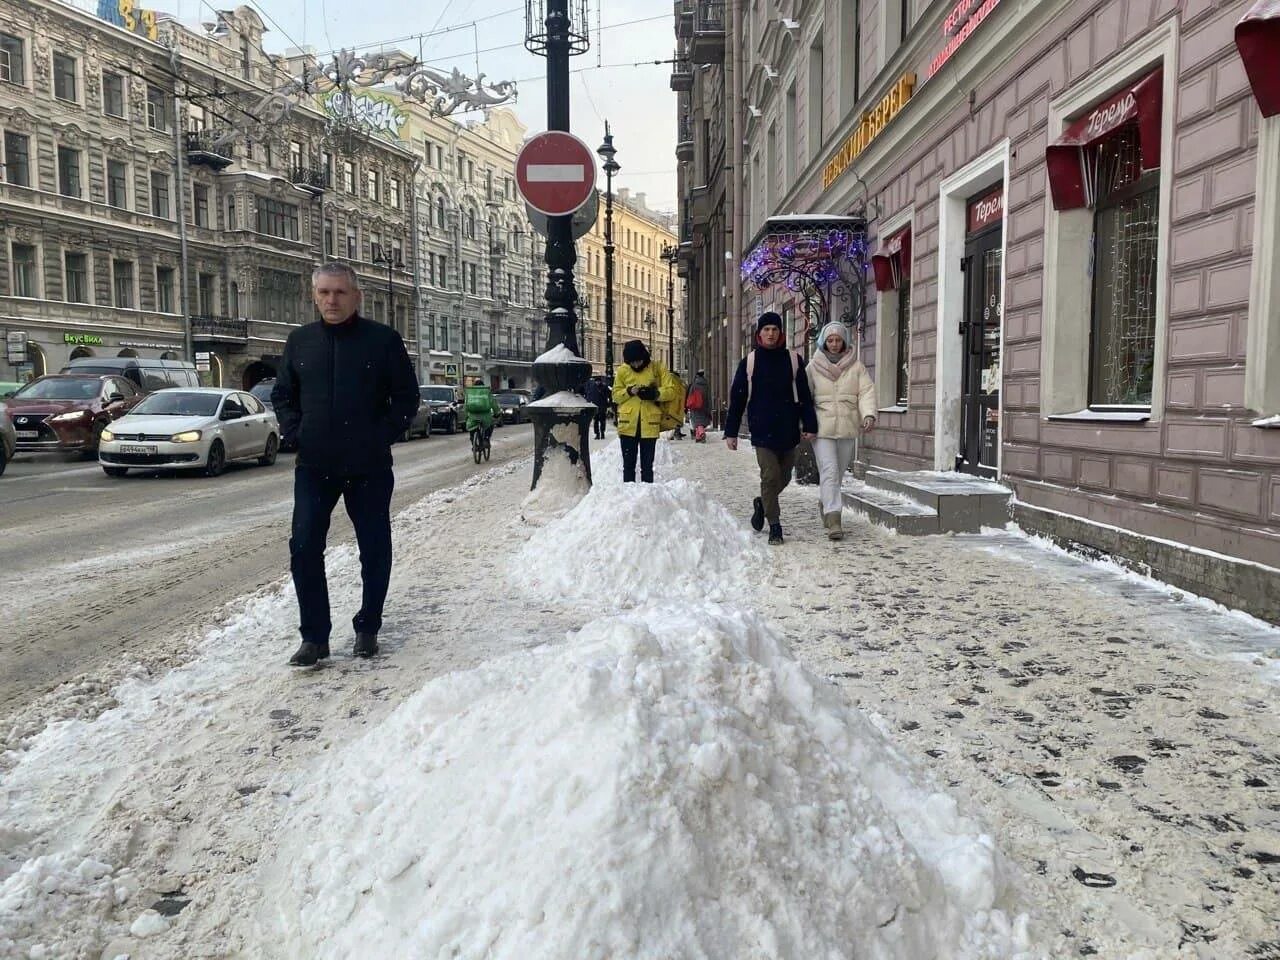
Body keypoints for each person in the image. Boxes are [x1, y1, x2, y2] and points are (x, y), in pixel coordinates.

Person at [272, 263, 421, 667]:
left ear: (356, 296)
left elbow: (407, 398)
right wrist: (294, 431)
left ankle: (367, 627)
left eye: (339, 292)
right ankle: (314, 638)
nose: (331, 300)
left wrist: (380, 435)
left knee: (373, 547)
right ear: (314, 295)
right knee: (304, 547)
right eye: (323, 293)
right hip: (314, 464)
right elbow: (283, 394)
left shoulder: (383, 341)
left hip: (368, 465)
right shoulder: (300, 342)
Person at [724, 312, 818, 545]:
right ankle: (775, 525)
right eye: (766, 329)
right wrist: (731, 432)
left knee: (783, 477)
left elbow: (805, 396)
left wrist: (810, 424)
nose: (770, 333)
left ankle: (761, 503)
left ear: (780, 333)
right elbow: (737, 398)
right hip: (762, 430)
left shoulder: (794, 360)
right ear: (759, 334)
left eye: (774, 329)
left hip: (789, 429)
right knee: (770, 476)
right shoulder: (750, 362)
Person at [806, 321, 876, 541]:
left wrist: (868, 414)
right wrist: (804, 424)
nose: (834, 344)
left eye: (838, 340)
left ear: (844, 341)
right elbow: (805, 397)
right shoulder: (813, 367)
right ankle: (834, 518)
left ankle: (826, 501)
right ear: (824, 342)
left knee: (838, 473)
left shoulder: (857, 367)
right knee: (829, 469)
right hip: (821, 429)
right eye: (830, 340)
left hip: (847, 427)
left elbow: (866, 392)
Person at [612, 339, 673, 483]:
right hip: (628, 425)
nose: (636, 365)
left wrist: (655, 394)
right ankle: (629, 496)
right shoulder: (622, 371)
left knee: (647, 466)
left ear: (644, 357)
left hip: (649, 424)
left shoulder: (657, 368)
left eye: (638, 361)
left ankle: (648, 496)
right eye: (632, 362)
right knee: (628, 466)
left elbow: (671, 391)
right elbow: (615, 396)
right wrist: (628, 391)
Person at [686, 369, 712, 442]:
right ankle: (698, 437)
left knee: (697, 422)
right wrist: (709, 406)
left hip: (695, 406)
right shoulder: (706, 384)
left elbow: (690, 395)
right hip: (704, 405)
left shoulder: (694, 384)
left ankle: (701, 433)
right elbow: (709, 396)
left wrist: (688, 404)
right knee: (702, 421)